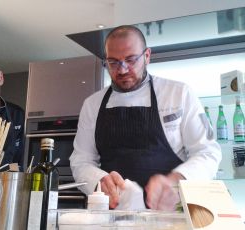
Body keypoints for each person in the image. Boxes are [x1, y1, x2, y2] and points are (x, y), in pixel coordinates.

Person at [69, 25, 221, 210]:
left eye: (131, 60)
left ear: (147, 56)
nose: (123, 70)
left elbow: (208, 152)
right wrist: (98, 180)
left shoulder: (180, 93)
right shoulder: (92, 105)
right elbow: (81, 161)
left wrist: (177, 180)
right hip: (112, 218)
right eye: (113, 62)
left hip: (170, 215)